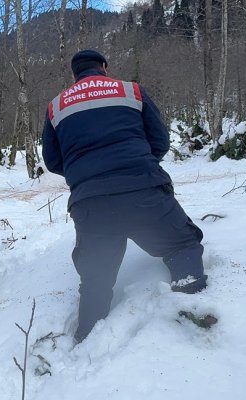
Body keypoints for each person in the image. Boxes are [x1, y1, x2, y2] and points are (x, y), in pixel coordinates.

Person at [41, 49, 207, 344]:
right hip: (144, 191)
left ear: (73, 74)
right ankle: (191, 309)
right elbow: (159, 140)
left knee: (96, 278)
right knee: (182, 245)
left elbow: (53, 160)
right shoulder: (131, 90)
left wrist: (84, 175)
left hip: (91, 204)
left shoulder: (56, 106)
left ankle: (87, 339)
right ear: (104, 67)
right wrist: (141, 165)